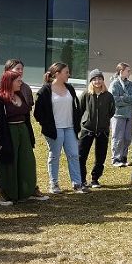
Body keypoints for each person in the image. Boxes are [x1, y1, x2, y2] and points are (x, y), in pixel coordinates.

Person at [0, 70, 40, 205]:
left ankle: (25, 191)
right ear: (9, 82)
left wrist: (29, 135)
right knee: (9, 162)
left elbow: (26, 117)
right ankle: (7, 193)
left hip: (22, 130)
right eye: (18, 80)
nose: (21, 83)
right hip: (8, 133)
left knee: (26, 161)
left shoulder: (20, 95)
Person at [34, 62, 85, 194]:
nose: (69, 74)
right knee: (55, 156)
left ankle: (77, 184)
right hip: (54, 130)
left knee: (74, 154)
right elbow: (38, 113)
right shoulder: (45, 90)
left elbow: (76, 107)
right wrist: (47, 125)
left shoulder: (70, 88)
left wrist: (76, 121)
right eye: (66, 72)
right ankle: (54, 184)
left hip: (70, 128)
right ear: (57, 74)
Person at [78, 69, 116, 189]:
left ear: (103, 80)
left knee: (100, 157)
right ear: (91, 81)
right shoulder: (86, 94)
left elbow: (112, 111)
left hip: (102, 131)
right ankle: (82, 179)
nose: (97, 81)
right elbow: (80, 109)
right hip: (87, 129)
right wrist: (85, 122)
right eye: (94, 79)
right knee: (81, 156)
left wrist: (104, 122)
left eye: (99, 78)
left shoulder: (108, 96)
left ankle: (95, 179)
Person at [109, 63, 132, 167]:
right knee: (118, 137)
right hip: (118, 115)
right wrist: (127, 99)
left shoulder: (130, 84)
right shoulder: (115, 84)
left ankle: (123, 157)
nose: (129, 73)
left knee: (127, 137)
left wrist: (124, 97)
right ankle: (116, 158)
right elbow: (114, 100)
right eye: (128, 71)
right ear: (121, 71)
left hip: (129, 114)